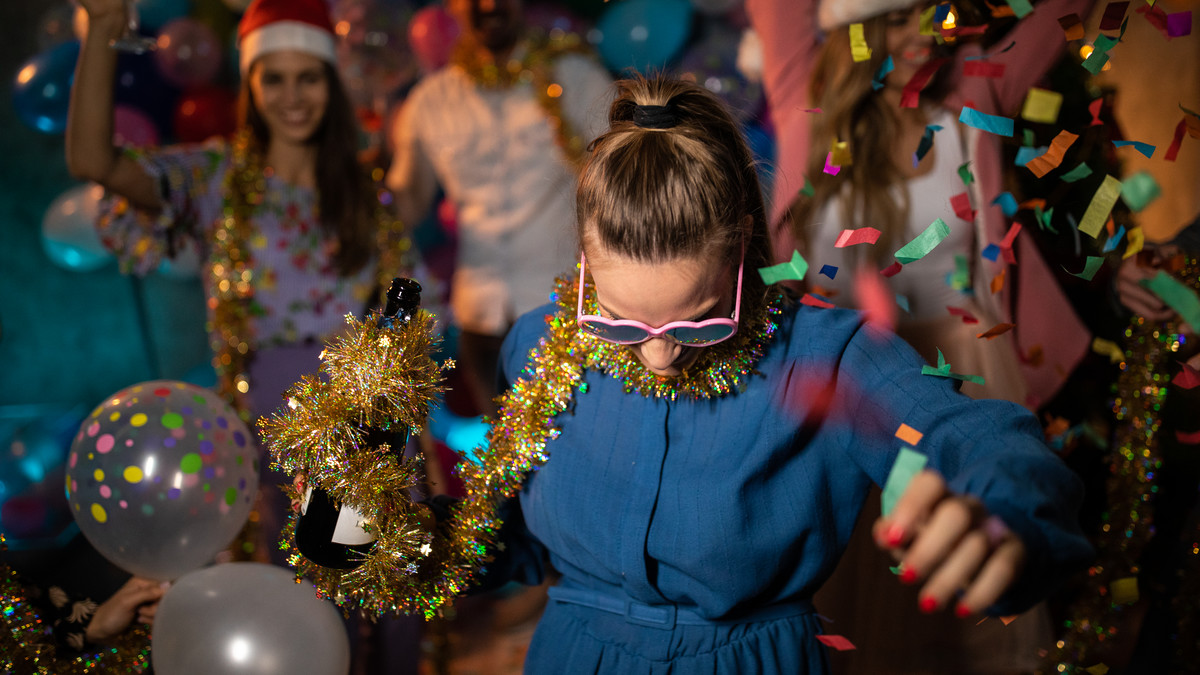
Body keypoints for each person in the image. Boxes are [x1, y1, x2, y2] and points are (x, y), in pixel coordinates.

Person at [418, 74, 1092, 674]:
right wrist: (397, 537)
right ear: (585, 263)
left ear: (742, 246)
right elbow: (511, 544)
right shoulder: (538, 343)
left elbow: (979, 437)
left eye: (699, 320)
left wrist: (999, 513)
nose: (660, 355)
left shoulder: (827, 353)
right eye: (621, 321)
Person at [64, 0, 415, 670]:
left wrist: (388, 415)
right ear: (251, 85)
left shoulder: (362, 187)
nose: (292, 95)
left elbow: (403, 301)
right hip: (270, 416)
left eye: (307, 76)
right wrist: (106, 31)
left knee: (376, 596)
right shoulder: (215, 177)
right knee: (303, 603)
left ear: (329, 83)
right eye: (273, 77)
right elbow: (94, 161)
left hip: (365, 412)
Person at [386, 0, 612, 418]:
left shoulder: (575, 79)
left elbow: (620, 183)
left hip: (564, 313)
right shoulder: (432, 100)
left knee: (573, 452)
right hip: (480, 320)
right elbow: (406, 204)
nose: (488, 4)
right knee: (508, 463)